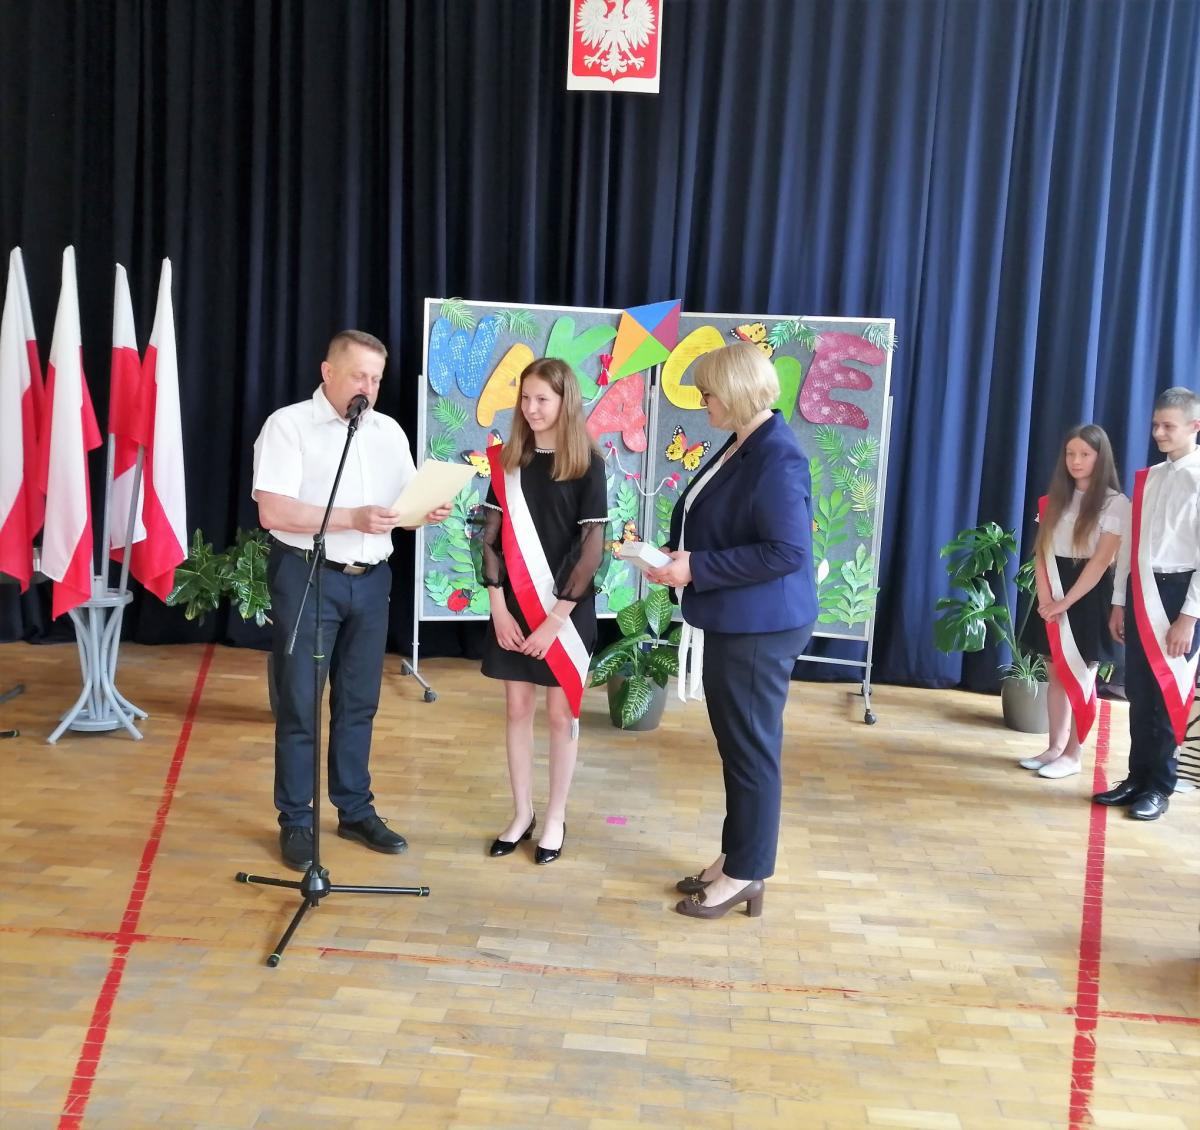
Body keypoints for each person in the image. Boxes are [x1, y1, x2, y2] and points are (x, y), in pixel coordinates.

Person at [252, 330, 450, 871]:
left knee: (360, 701)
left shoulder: (388, 432)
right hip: (308, 574)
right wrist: (351, 518)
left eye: (377, 379)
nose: (369, 388)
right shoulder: (289, 425)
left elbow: (400, 509)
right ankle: (296, 819)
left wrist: (423, 512)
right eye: (360, 376)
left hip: (371, 580)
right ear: (328, 372)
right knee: (300, 701)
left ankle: (355, 809)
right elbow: (273, 511)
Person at [646, 342, 817, 920]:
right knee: (739, 749)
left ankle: (747, 874)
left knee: (751, 753)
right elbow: (721, 521)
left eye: (708, 393)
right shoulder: (745, 443)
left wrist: (697, 567)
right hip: (741, 621)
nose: (704, 403)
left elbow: (786, 551)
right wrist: (676, 555)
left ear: (737, 392)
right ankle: (736, 857)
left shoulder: (777, 455)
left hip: (760, 628)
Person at [477, 358, 608, 864]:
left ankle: (555, 817)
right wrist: (497, 606)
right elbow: (489, 537)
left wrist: (556, 620)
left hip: (566, 611)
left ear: (564, 402)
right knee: (516, 708)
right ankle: (521, 813)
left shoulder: (588, 463)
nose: (531, 408)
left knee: (560, 713)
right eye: (525, 398)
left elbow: (591, 548)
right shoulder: (507, 461)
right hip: (513, 607)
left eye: (542, 399)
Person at [1094, 386, 1200, 821]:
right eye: (1156, 425)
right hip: (1141, 587)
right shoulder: (1150, 477)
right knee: (1138, 689)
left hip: (1179, 594)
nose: (1158, 433)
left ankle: (1160, 785)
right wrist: (1119, 600)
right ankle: (1137, 778)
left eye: (1168, 426)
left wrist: (1189, 617)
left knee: (1166, 693)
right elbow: (1131, 545)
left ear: (1194, 426)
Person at [1017, 425, 1129, 779]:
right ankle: (1054, 747)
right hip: (1053, 588)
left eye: (1085, 454)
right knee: (1054, 673)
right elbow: (1042, 551)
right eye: (1070, 454)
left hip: (1087, 595)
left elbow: (1101, 562)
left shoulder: (1115, 503)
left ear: (1100, 457)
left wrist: (1065, 602)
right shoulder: (1055, 499)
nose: (1076, 461)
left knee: (1081, 675)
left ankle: (1073, 753)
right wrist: (1046, 596)